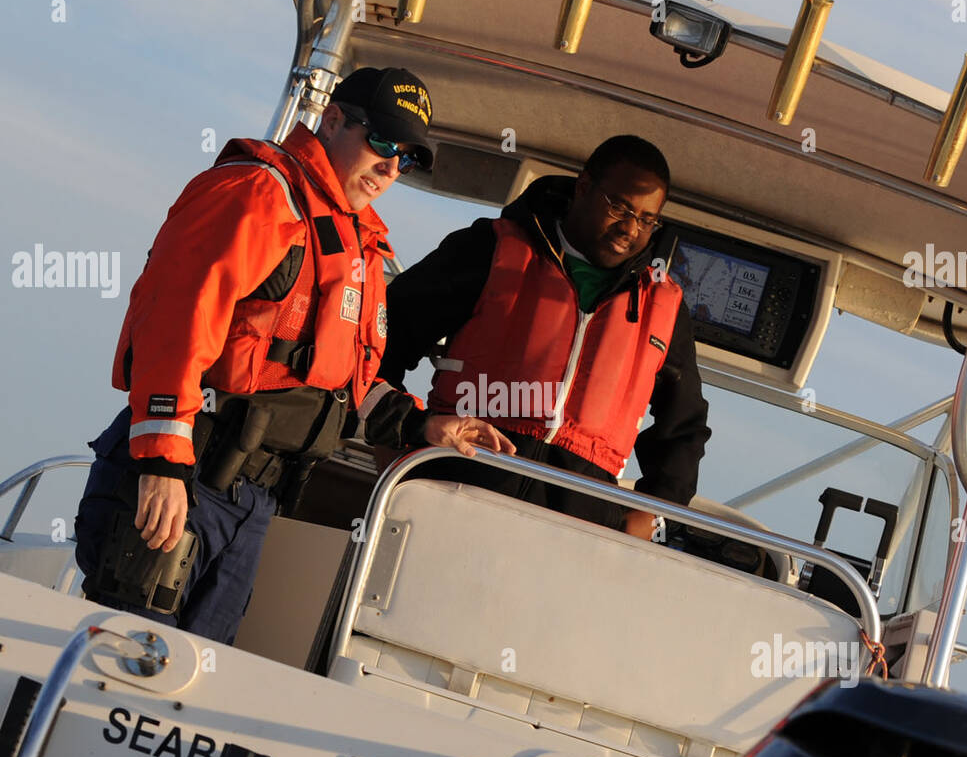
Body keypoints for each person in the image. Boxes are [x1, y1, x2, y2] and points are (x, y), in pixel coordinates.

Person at [74, 66, 512, 644]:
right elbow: (174, 323)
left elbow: (340, 381)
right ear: (332, 120)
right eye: (382, 142)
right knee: (125, 674)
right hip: (184, 482)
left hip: (252, 505)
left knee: (197, 684)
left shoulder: (360, 240)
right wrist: (160, 465)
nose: (390, 167)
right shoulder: (257, 193)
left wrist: (424, 424)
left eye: (405, 157)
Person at [379, 134, 710, 537]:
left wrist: (655, 512)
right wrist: (397, 434)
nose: (630, 228)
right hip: (455, 490)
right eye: (620, 207)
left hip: (576, 526)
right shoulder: (489, 248)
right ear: (584, 188)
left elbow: (685, 426)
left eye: (646, 219)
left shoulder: (665, 306)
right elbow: (383, 334)